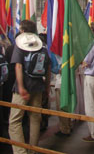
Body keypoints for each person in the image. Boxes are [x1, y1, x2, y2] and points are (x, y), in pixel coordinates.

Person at [8, 20, 51, 154]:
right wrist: (47, 87)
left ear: (22, 31)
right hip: (38, 86)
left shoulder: (20, 45)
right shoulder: (42, 46)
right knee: (35, 119)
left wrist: (21, 87)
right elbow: (48, 67)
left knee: (14, 121)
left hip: (24, 86)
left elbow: (18, 66)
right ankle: (33, 150)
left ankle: (20, 151)